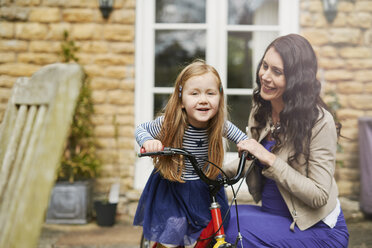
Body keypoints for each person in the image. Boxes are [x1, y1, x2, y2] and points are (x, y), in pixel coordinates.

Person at [224, 34, 349, 247]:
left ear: (297, 80)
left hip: (315, 228)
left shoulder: (319, 122)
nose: (265, 76)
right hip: (273, 215)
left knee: (233, 234)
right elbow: (250, 159)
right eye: (265, 66)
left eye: (277, 72)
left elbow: (319, 195)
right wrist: (212, 173)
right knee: (216, 218)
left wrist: (270, 159)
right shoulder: (261, 108)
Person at [134, 59, 249, 248]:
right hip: (173, 187)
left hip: (204, 188)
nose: (203, 99)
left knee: (208, 232)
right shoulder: (170, 122)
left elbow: (244, 139)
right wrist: (148, 141)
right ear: (181, 100)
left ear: (219, 97)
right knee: (171, 236)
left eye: (210, 93)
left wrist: (248, 148)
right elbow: (141, 129)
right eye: (194, 93)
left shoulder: (219, 125)